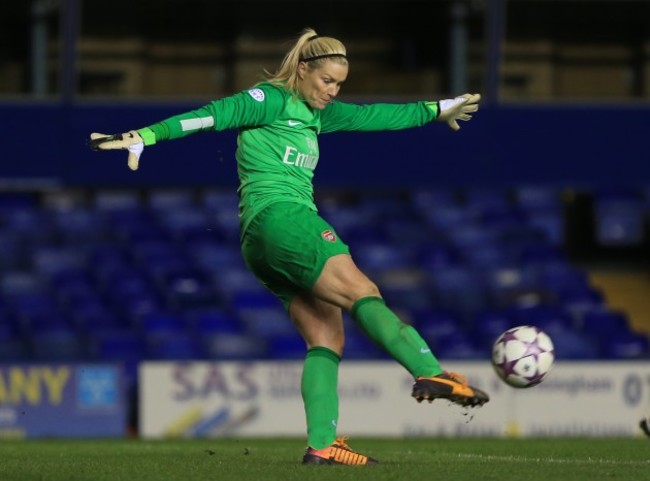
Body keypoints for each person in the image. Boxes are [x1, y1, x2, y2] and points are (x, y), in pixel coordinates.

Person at [90, 27, 489, 466]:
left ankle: (322, 445)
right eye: (326, 82)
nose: (332, 92)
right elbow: (212, 115)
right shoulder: (270, 100)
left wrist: (435, 109)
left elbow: (377, 116)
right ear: (302, 70)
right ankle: (430, 372)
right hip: (285, 219)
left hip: (259, 242)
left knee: (326, 337)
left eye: (339, 84)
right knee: (364, 294)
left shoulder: (318, 113)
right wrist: (147, 136)